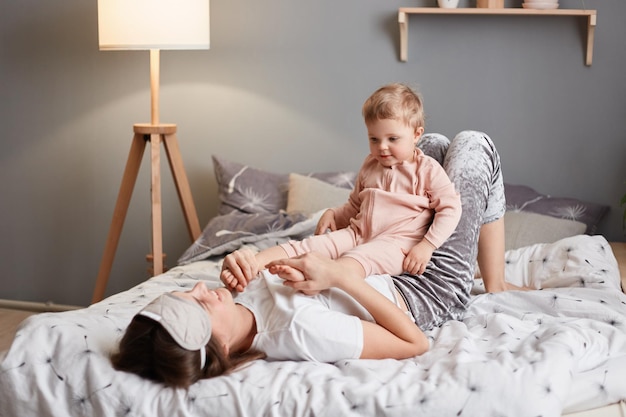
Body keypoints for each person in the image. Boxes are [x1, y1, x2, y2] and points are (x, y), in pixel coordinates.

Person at [111, 129, 521, 388]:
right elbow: (412, 342)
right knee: (474, 144)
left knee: (424, 147)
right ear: (215, 342)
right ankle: (495, 283)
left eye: (189, 290)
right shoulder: (300, 330)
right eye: (200, 303)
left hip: (383, 254)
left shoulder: (236, 301)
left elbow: (295, 254)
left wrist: (252, 258)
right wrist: (340, 278)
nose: (202, 288)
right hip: (421, 293)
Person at [221, 83, 462, 293]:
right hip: (358, 233)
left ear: (416, 134)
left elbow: (451, 209)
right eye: (374, 139)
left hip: (397, 244)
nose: (382, 147)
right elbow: (356, 205)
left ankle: (317, 276)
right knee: (312, 245)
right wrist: (335, 214)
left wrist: (427, 246)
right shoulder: (370, 165)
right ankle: (253, 263)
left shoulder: (425, 169)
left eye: (392, 139)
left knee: (356, 259)